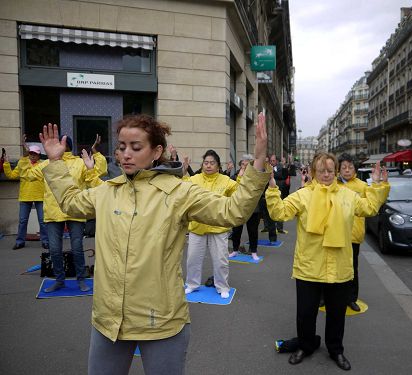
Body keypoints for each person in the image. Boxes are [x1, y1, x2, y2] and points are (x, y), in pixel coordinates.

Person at [39, 113, 269, 375]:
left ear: (156, 151)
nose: (126, 154)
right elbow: (70, 202)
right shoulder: (106, 191)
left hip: (162, 321)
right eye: (122, 147)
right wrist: (55, 160)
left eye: (136, 147)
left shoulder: (180, 192)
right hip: (109, 320)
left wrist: (258, 160)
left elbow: (233, 210)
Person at [265, 152, 389, 371]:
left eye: (330, 170)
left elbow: (369, 208)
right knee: (305, 314)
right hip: (309, 267)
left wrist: (378, 186)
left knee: (336, 315)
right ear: (314, 171)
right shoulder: (303, 195)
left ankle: (336, 349)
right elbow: (279, 213)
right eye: (321, 170)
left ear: (336, 171)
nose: (326, 174)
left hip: (339, 268)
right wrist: (273, 188)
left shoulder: (348, 195)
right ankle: (305, 345)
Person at [24, 135, 107, 293]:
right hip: (53, 212)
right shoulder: (48, 163)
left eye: (61, 144)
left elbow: (99, 172)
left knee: (77, 248)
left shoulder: (78, 162)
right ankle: (59, 280)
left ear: (66, 146)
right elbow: (28, 174)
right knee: (54, 250)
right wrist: (31, 156)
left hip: (75, 211)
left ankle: (81, 279)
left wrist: (96, 153)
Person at [184, 149, 239, 298]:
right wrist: (182, 171)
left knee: (221, 260)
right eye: (206, 163)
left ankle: (222, 286)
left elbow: (239, 193)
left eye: (212, 163)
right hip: (197, 226)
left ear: (218, 165)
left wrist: (241, 178)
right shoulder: (194, 179)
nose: (208, 165)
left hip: (219, 227)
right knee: (192, 259)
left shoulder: (226, 180)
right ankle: (192, 284)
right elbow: (180, 189)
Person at [338, 153, 386, 312]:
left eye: (350, 167)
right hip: (335, 234)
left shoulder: (362, 186)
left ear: (355, 169)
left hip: (353, 235)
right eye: (343, 167)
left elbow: (375, 202)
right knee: (331, 267)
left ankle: (351, 299)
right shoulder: (333, 184)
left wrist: (379, 183)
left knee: (352, 269)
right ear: (338, 169)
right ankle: (326, 297)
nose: (347, 170)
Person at [3, 136, 48, 250]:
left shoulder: (42, 164)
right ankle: (20, 242)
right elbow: (11, 175)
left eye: (35, 153)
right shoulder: (23, 163)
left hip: (40, 195)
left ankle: (45, 241)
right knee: (23, 221)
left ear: (38, 155)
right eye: (31, 153)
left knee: (42, 221)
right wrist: (6, 164)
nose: (32, 155)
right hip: (25, 195)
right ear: (28, 154)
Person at [229, 154, 261, 261]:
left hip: (252, 207)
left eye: (246, 165)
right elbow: (233, 187)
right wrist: (239, 176)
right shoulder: (236, 175)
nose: (244, 167)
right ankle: (235, 249)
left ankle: (253, 251)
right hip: (239, 206)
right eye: (242, 164)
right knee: (236, 229)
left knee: (252, 230)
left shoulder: (255, 176)